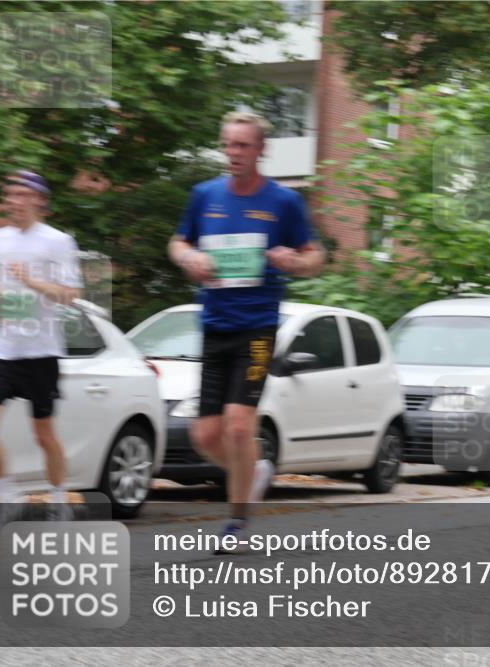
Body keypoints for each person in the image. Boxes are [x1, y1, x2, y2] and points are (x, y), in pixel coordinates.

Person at [168, 111, 325, 551]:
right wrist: (188, 259)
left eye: (242, 145)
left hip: (257, 329)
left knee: (239, 428)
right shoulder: (205, 196)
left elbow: (317, 256)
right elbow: (178, 241)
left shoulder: (284, 202)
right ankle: (252, 471)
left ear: (261, 150)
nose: (233, 153)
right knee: (205, 436)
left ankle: (237, 522)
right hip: (215, 326)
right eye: (228, 145)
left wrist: (296, 262)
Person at [0, 170, 83, 541]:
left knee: (44, 434)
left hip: (41, 351)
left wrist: (31, 281)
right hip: (1, 349)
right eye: (9, 194)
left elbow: (71, 294)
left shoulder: (58, 241)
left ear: (39, 199)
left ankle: (57, 500)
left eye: (21, 194)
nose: (13, 200)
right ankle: (7, 496)